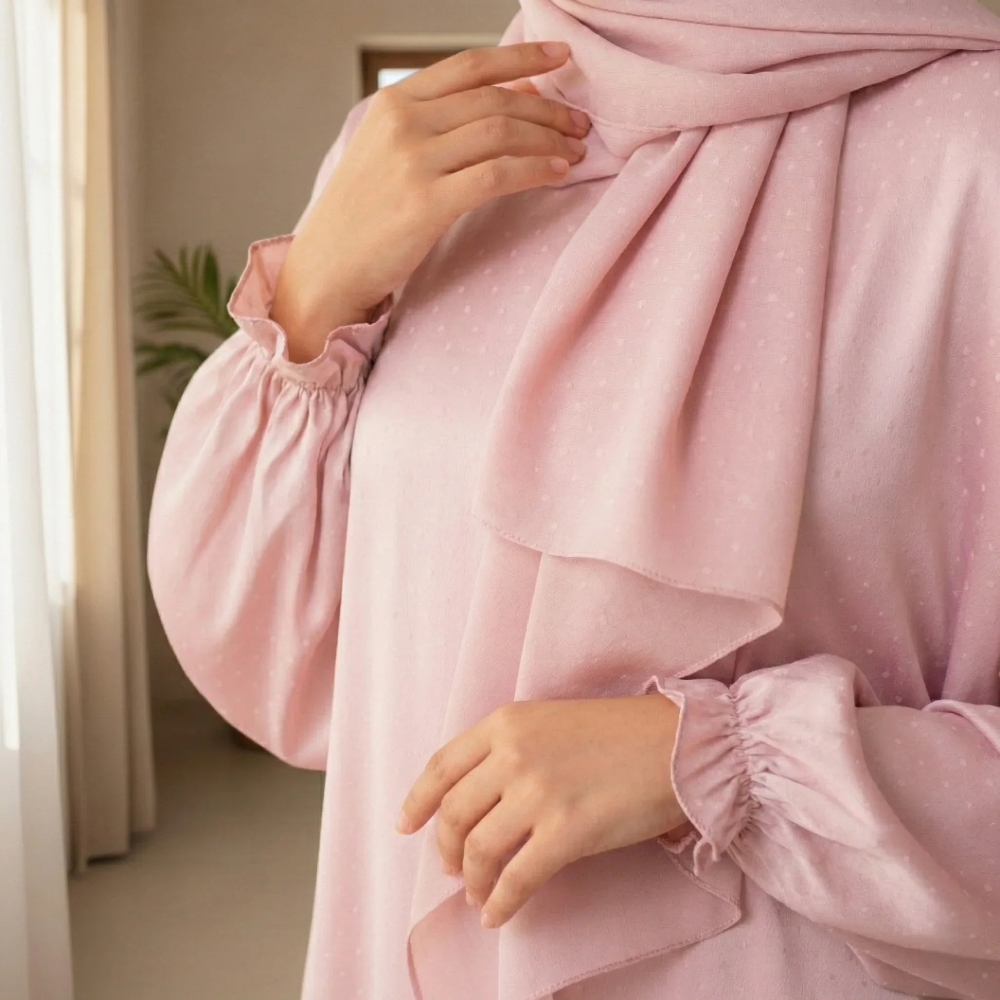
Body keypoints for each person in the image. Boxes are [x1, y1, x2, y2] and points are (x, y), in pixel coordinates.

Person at [146, 1, 1000, 997]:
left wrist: (713, 762)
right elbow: (268, 633)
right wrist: (314, 295)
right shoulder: (443, 131)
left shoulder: (973, 148)